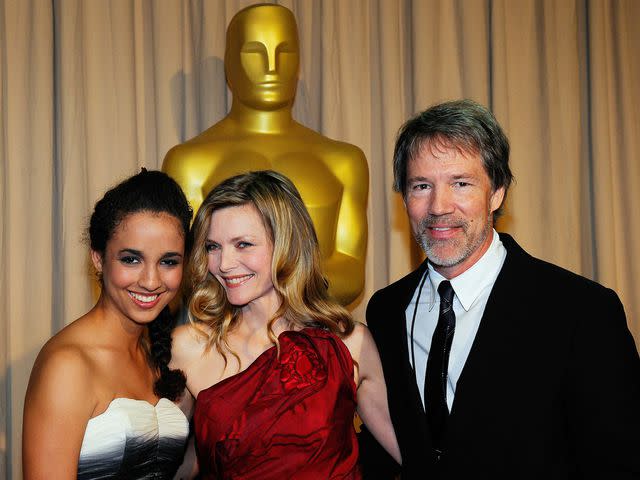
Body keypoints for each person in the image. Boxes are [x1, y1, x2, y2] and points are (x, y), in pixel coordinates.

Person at [359, 99, 640, 478]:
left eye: (461, 183)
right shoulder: (387, 309)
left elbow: (619, 461)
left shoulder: (582, 311)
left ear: (497, 193)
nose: (439, 207)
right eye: (421, 186)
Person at [170, 170, 399, 479]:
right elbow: (179, 464)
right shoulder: (189, 346)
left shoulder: (349, 343)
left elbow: (415, 458)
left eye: (243, 244)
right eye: (213, 247)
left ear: (287, 244)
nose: (223, 264)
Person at [162, 3, 369, 305]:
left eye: (285, 52)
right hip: (223, 342)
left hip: (316, 341)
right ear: (230, 64)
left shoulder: (343, 161)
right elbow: (185, 271)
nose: (272, 67)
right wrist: (285, 281)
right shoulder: (191, 162)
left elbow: (351, 271)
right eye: (255, 53)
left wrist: (261, 282)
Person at [22, 170, 192, 479]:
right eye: (131, 259)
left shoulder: (159, 351)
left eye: (168, 261)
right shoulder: (68, 365)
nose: (151, 281)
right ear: (99, 259)